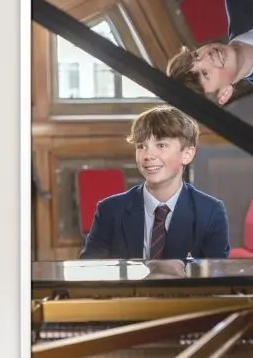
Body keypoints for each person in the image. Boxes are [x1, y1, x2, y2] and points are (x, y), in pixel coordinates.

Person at [81, 107, 231, 260]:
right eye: (141, 146)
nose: (148, 155)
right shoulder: (110, 210)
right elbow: (89, 271)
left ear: (187, 154)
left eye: (161, 145)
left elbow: (216, 279)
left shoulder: (210, 212)